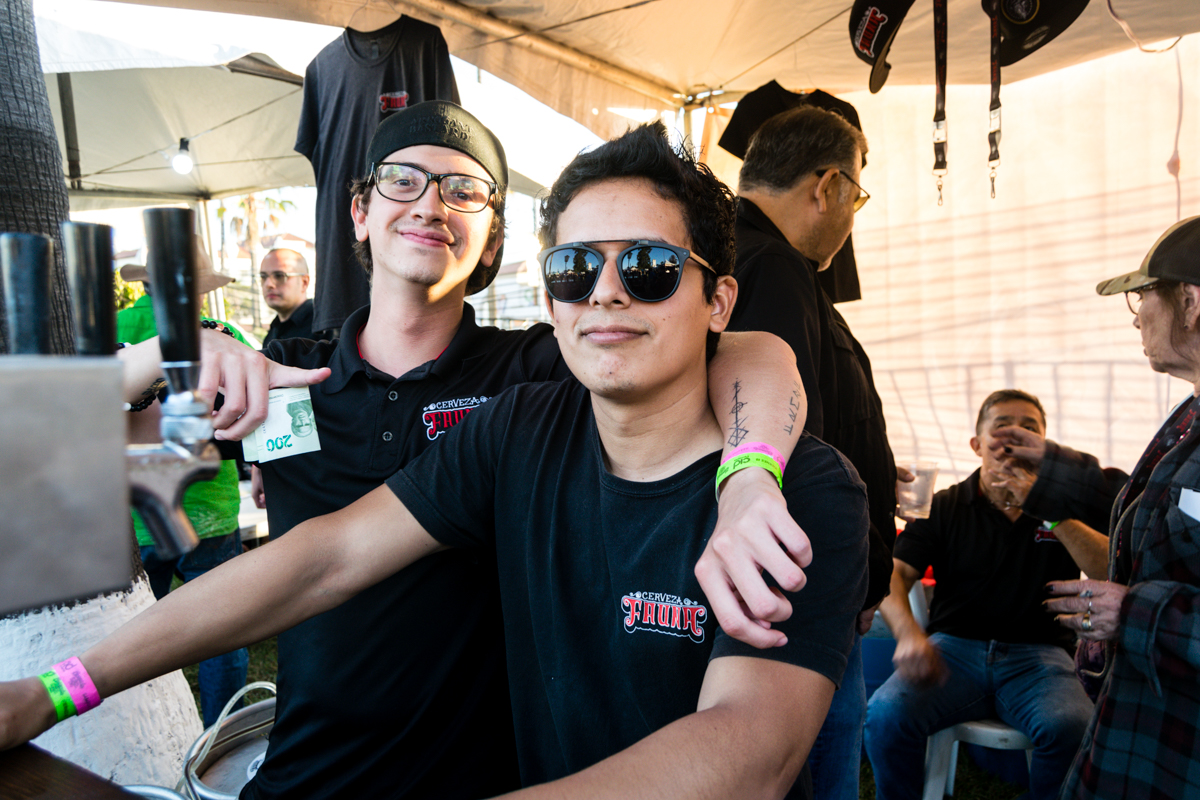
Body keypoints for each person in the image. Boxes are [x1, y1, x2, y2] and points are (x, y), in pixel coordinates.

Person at [0, 120, 868, 800]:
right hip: (306, 771)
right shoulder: (342, 383)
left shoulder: (533, 386)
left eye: (649, 267)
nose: (606, 292)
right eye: (573, 269)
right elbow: (320, 554)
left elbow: (746, 751)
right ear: (359, 212)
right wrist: (56, 688)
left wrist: (750, 471)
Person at [719, 103, 900, 799]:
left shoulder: (754, 258)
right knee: (815, 771)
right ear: (827, 186)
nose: (853, 213)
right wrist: (847, 577)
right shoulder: (771, 264)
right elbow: (788, 443)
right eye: (856, 193)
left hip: (798, 581)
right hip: (802, 591)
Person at [1011, 215, 1200, 799]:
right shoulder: (1191, 413)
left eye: (1143, 297)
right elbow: (1160, 512)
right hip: (1144, 728)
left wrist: (1133, 613)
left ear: (1191, 302)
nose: (1137, 317)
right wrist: (1052, 471)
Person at [863, 389, 1123, 800]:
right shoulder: (946, 504)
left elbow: (1110, 572)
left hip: (1041, 656)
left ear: (1043, 446)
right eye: (1002, 427)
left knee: (1073, 725)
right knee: (884, 715)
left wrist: (1052, 513)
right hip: (952, 651)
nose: (1015, 437)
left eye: (1028, 429)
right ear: (977, 444)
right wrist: (908, 634)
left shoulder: (1066, 507)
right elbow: (896, 575)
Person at [116, 254, 251, 729]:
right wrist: (259, 466)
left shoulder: (116, 328)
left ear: (146, 285)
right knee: (222, 631)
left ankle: (147, 729)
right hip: (208, 505)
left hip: (139, 510)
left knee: (134, 635)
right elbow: (252, 409)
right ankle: (222, 734)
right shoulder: (221, 333)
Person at [258, 249, 314, 346]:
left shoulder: (322, 327)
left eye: (279, 276)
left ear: (304, 282)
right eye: (263, 277)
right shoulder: (274, 329)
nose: (268, 284)